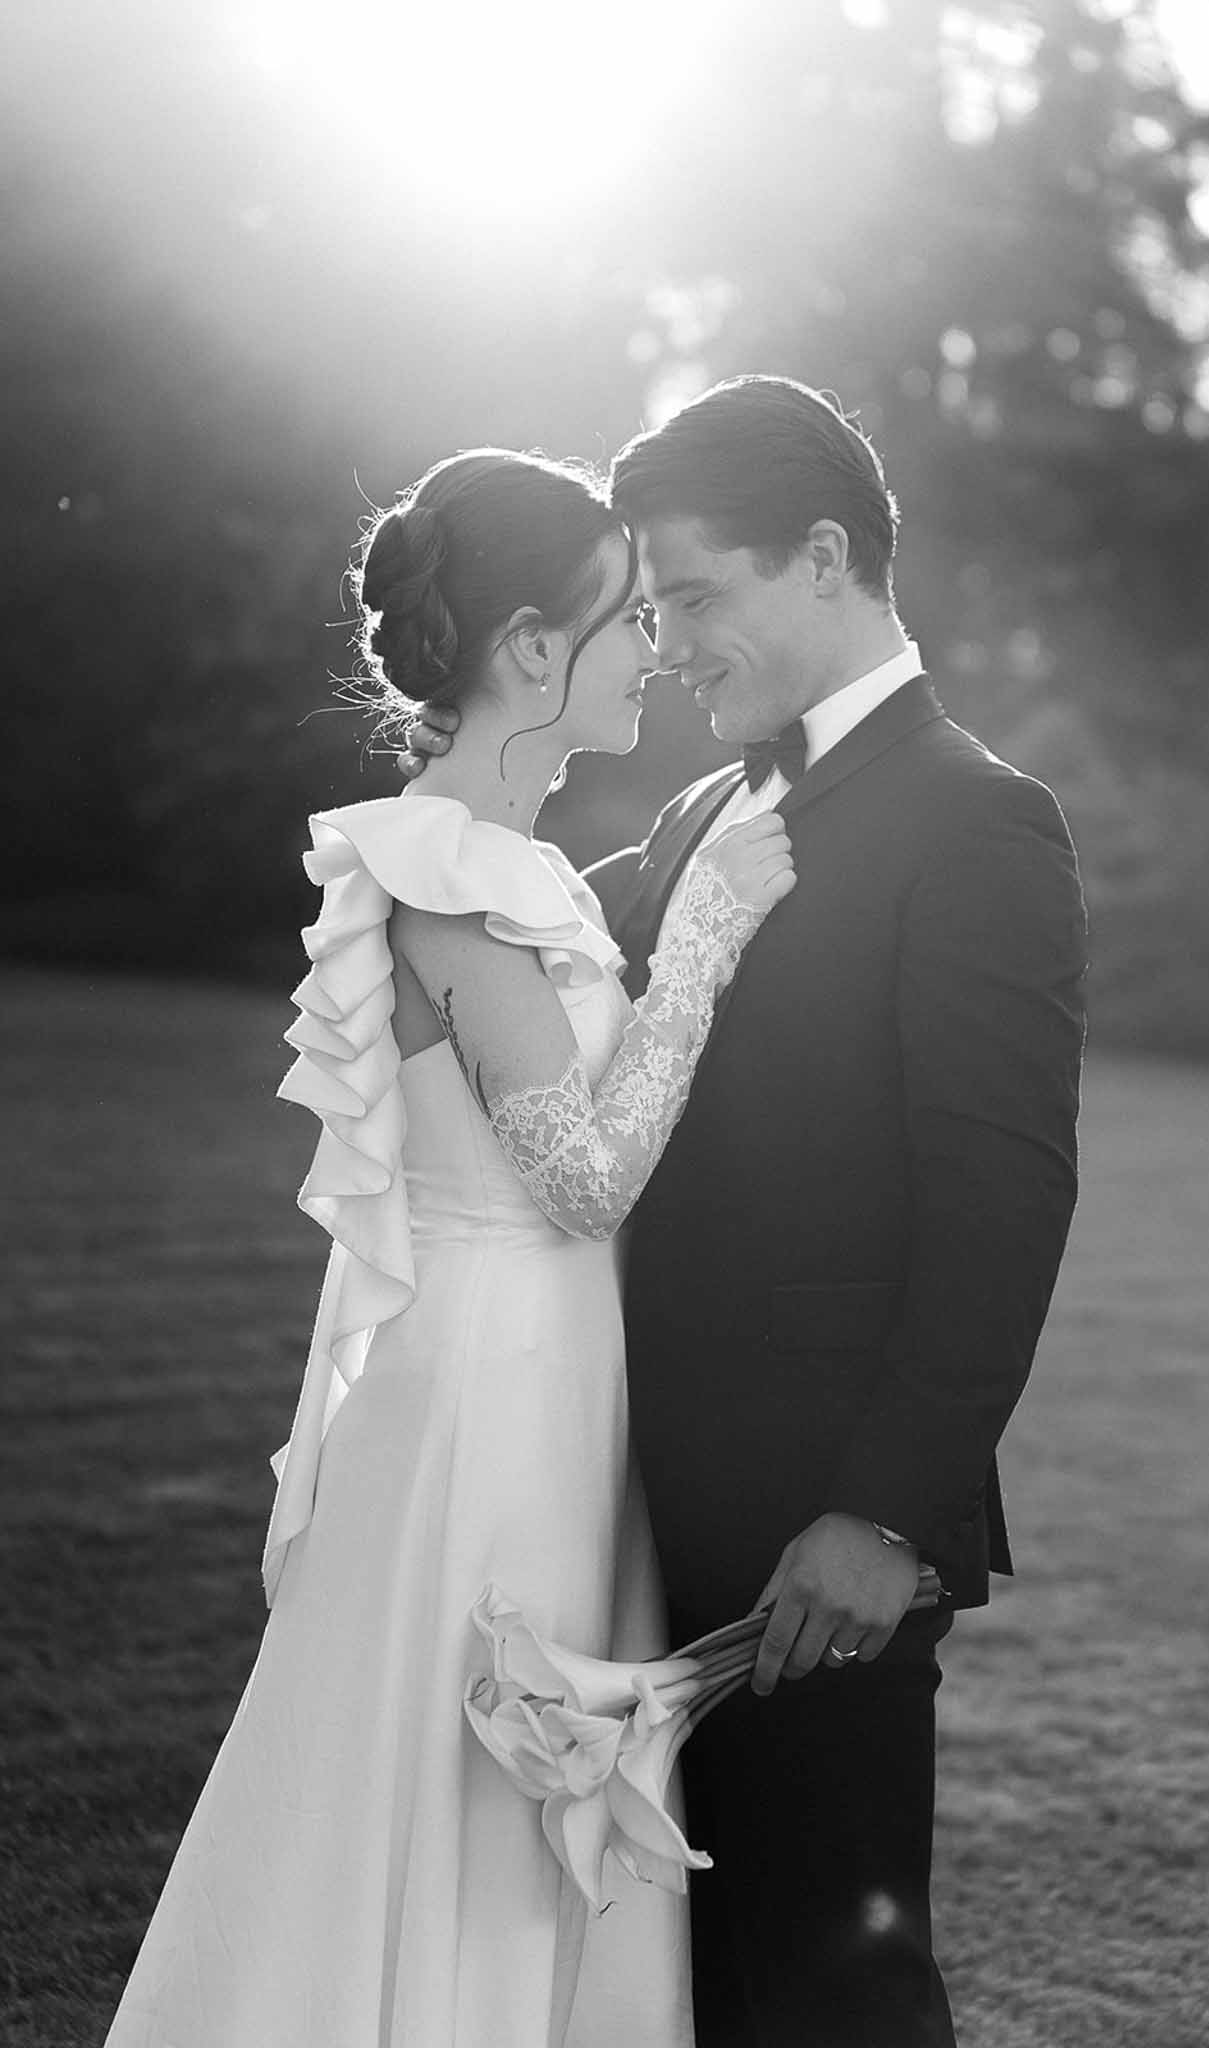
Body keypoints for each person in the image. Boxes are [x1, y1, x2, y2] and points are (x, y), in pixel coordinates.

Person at [406, 378, 1088, 2046]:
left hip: (816, 1545)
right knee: (682, 1989)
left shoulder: (976, 823)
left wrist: (882, 1515)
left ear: (827, 559)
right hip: (632, 1507)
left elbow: (1004, 1198)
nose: (674, 642)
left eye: (696, 599)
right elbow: (526, 987)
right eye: (650, 611)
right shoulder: (704, 812)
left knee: (831, 1979)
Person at [102, 448, 795, 2048]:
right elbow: (585, 1176)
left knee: (521, 1787)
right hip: (492, 1392)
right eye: (628, 621)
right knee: (458, 1780)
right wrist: (698, 944)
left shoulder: (517, 870)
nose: (653, 653)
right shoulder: (443, 879)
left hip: (554, 1377)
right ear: (534, 649)